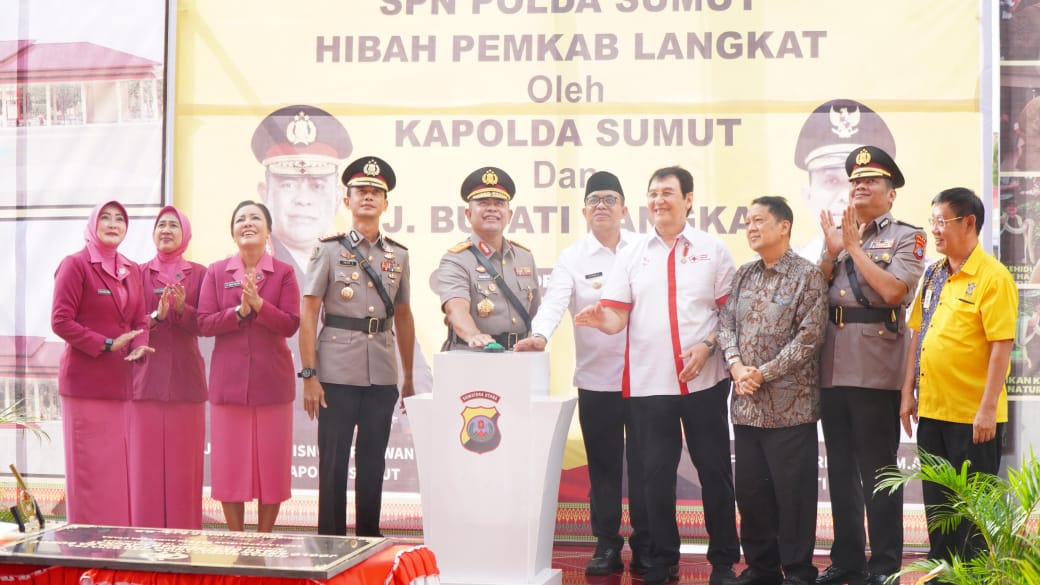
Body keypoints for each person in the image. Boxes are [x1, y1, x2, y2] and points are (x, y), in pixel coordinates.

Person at [575, 166, 740, 585]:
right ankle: (663, 561)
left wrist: (707, 346)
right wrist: (600, 320)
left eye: (668, 192)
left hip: (703, 381)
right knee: (654, 478)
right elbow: (616, 318)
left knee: (715, 471)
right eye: (652, 194)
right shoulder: (632, 252)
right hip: (649, 386)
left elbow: (732, 316)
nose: (659, 200)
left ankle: (722, 561)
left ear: (688, 199)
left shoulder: (712, 249)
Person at [513, 171, 647, 575]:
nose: (602, 205)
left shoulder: (645, 249)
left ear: (624, 209)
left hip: (647, 380)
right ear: (585, 211)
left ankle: (648, 545)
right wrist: (539, 335)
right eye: (594, 200)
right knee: (604, 469)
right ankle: (606, 545)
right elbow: (554, 303)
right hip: (597, 382)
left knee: (647, 467)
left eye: (610, 198)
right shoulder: (573, 258)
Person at [815, 146, 926, 585]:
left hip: (876, 368)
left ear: (891, 193)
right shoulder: (838, 233)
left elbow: (894, 292)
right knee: (839, 470)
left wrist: (855, 250)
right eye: (855, 181)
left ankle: (884, 565)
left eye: (872, 181)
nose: (860, 186)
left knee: (878, 473)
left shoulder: (906, 235)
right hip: (832, 366)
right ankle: (846, 559)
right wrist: (830, 254)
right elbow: (816, 292)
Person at [300, 156, 416, 536]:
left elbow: (403, 314)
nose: (368, 197)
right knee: (332, 462)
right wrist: (310, 375)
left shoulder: (398, 255)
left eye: (376, 192)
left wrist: (409, 376)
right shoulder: (329, 250)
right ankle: (330, 539)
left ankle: (369, 535)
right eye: (360, 191)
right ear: (346, 201)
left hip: (381, 372)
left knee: (373, 461)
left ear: (386, 203)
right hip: (335, 371)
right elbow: (309, 312)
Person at [900, 187, 1017, 561]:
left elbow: (1001, 346)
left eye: (941, 222)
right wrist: (907, 393)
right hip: (933, 413)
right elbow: (917, 334)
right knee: (940, 513)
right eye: (932, 222)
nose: (934, 231)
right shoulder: (934, 273)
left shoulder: (992, 277)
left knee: (973, 518)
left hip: (973, 418)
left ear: (969, 223)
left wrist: (986, 410)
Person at [717, 196, 828, 585]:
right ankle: (761, 568)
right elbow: (725, 324)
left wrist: (761, 373)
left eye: (759, 220)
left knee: (793, 499)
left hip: (790, 409)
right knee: (752, 497)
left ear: (784, 226)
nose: (750, 227)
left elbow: (809, 339)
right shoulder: (744, 274)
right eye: (747, 221)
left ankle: (797, 571)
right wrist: (735, 366)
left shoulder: (807, 275)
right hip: (747, 409)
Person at [198, 200, 301, 532]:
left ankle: (265, 536)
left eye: (255, 217)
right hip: (229, 385)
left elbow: (290, 324)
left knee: (271, 466)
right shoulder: (216, 272)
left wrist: (260, 305)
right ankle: (237, 538)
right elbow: (204, 323)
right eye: (240, 218)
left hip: (272, 383)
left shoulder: (284, 273)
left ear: (268, 229)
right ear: (233, 232)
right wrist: (239, 313)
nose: (248, 223)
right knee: (231, 468)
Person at [51, 200, 153, 525]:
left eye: (119, 219)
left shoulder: (131, 269)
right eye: (106, 218)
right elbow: (60, 321)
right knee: (90, 475)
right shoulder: (75, 265)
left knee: (116, 474)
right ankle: (86, 556)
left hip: (120, 385)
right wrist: (106, 344)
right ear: (94, 224)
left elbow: (140, 318)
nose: (113, 224)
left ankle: (115, 553)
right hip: (85, 386)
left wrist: (139, 344)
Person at [130, 206, 207, 529]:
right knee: (145, 468)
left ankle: (183, 540)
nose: (166, 230)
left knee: (182, 470)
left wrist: (181, 308)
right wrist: (157, 317)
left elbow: (204, 323)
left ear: (185, 234)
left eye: (174, 225)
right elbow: (129, 322)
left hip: (186, 382)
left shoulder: (201, 274)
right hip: (145, 380)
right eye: (161, 225)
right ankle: (143, 544)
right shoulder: (137, 272)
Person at [437, 166, 540, 350]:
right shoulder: (456, 260)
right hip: (473, 356)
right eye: (483, 203)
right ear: (468, 214)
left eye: (499, 203)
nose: (492, 209)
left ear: (509, 214)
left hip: (519, 357)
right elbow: (456, 309)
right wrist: (473, 335)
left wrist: (539, 338)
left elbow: (536, 313)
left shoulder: (525, 257)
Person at [251, 104, 353, 280]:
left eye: (317, 186)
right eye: (288, 185)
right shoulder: (247, 269)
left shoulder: (352, 270)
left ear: (337, 197)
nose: (303, 200)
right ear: (265, 194)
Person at [793, 99, 896, 261]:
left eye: (858, 183)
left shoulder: (914, 263)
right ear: (808, 195)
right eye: (831, 181)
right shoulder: (789, 268)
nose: (845, 196)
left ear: (889, 195)